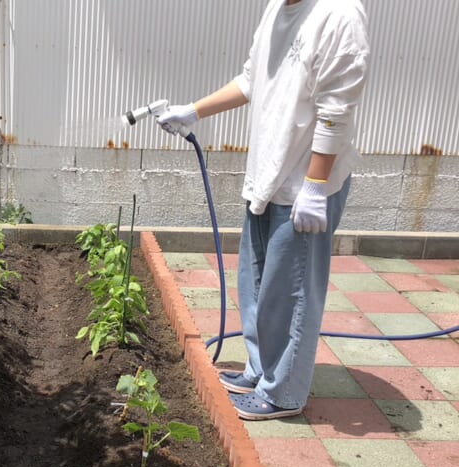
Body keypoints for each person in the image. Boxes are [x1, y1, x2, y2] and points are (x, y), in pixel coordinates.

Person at [157, 0, 370, 420]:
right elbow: (252, 79)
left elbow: (336, 110)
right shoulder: (279, 7)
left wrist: (314, 186)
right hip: (269, 172)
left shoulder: (340, 14)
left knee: (292, 292)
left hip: (306, 183)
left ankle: (283, 393)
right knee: (257, 284)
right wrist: (195, 110)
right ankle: (260, 369)